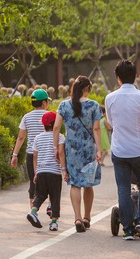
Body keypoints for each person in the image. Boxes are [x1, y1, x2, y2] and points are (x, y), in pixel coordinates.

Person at [105, 60, 140, 240]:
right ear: (135, 76)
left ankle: (128, 230)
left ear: (118, 78)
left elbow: (111, 123)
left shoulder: (110, 98)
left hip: (119, 150)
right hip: (139, 149)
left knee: (123, 189)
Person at [53, 75, 102, 233]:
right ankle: (87, 217)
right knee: (88, 184)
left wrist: (56, 147)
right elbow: (96, 129)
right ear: (87, 88)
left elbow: (56, 127)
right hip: (88, 149)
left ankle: (77, 218)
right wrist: (99, 149)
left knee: (75, 183)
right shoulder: (94, 106)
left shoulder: (64, 105)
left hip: (71, 150)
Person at [27, 111, 67, 231]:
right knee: (55, 197)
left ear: (44, 125)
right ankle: (53, 222)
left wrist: (36, 173)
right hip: (54, 172)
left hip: (41, 172)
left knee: (40, 195)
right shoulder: (60, 137)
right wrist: (64, 169)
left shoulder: (38, 138)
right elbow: (60, 153)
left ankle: (33, 211)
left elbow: (35, 156)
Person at [11, 89, 50, 210]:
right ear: (44, 103)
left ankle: (32, 209)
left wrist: (15, 155)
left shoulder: (26, 117)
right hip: (47, 153)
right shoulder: (49, 116)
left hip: (31, 154)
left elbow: (21, 137)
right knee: (50, 179)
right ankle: (51, 206)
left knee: (33, 181)